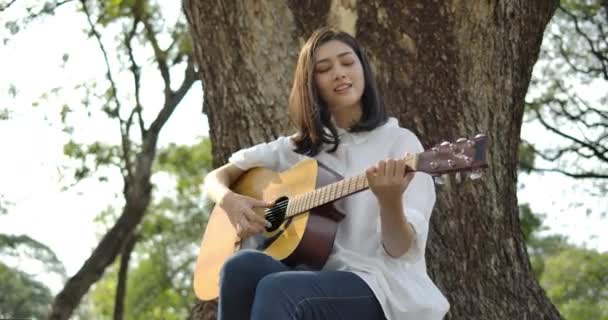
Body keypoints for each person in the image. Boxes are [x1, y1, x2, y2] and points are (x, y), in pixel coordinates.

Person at [202, 26, 450, 320]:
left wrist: (389, 201)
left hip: (380, 284)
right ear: (311, 84)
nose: (339, 73)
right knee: (239, 267)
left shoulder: (401, 144)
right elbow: (216, 177)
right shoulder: (300, 148)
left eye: (347, 62)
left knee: (277, 289)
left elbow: (399, 249)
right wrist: (230, 201)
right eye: (324, 68)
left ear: (363, 70)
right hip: (313, 277)